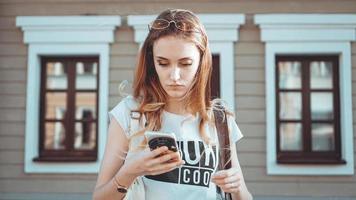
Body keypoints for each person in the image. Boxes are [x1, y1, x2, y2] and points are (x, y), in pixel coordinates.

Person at [93, 8, 253, 200]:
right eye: (163, 63)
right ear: (152, 63)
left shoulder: (219, 118)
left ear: (201, 63)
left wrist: (236, 188)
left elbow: (243, 196)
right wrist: (129, 172)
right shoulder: (129, 113)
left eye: (185, 64)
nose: (174, 76)